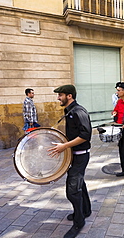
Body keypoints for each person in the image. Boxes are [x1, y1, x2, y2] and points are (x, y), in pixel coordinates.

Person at [48, 85, 92, 238]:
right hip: (75, 155)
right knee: (80, 183)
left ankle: (79, 222)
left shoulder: (79, 112)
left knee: (72, 191)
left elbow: (86, 135)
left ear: (69, 96)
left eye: (60, 95)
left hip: (81, 156)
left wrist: (64, 146)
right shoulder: (70, 111)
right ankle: (86, 211)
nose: (58, 98)